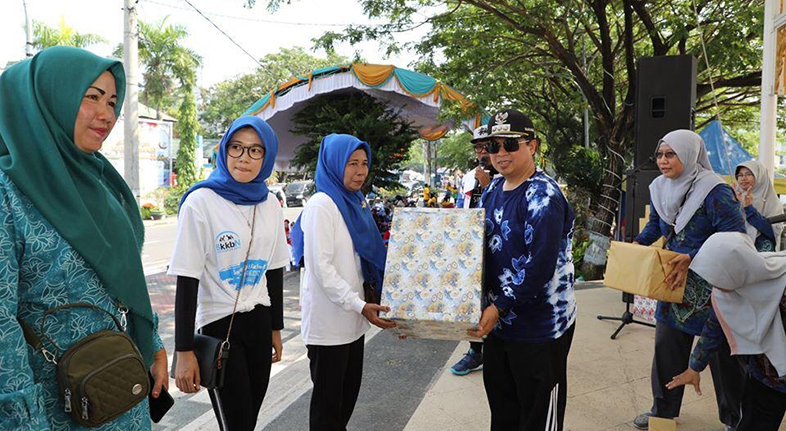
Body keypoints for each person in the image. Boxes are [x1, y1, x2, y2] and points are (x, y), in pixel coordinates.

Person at [0, 46, 168, 430]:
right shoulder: (7, 193)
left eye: (111, 101)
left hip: (120, 390)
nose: (106, 114)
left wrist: (152, 342)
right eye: (91, 97)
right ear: (48, 100)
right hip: (54, 410)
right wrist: (23, 419)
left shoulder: (99, 181)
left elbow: (123, 280)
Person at [169, 116, 290, 431]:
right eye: (236, 147)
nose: (244, 158)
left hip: (259, 321)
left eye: (255, 150)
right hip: (220, 325)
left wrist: (275, 328)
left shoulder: (270, 204)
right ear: (224, 150)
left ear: (266, 158)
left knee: (249, 419)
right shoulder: (200, 202)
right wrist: (183, 350)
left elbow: (274, 270)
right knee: (237, 424)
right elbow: (187, 280)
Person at [468, 110, 576, 431]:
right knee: (504, 413)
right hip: (498, 326)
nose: (500, 153)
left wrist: (498, 306)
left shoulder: (544, 195)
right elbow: (475, 249)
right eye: (493, 145)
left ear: (532, 145)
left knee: (537, 418)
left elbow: (539, 266)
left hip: (539, 328)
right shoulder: (492, 189)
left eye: (510, 144)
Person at [632, 130, 747, 431]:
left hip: (713, 286)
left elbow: (735, 236)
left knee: (722, 356)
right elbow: (657, 225)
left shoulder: (715, 191)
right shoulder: (660, 187)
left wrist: (692, 256)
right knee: (667, 350)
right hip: (673, 282)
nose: (663, 161)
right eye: (660, 155)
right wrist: (637, 245)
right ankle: (662, 412)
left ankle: (733, 418)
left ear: (689, 154)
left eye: (671, 154)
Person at [291, 134, 395, 431]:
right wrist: (359, 305)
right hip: (329, 327)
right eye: (352, 164)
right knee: (327, 412)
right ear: (335, 164)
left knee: (345, 404)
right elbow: (321, 269)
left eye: (364, 163)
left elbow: (365, 260)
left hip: (354, 322)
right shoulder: (322, 205)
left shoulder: (355, 202)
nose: (360, 171)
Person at [668, 232, 786, 430]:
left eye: (717, 275)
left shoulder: (780, 282)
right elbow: (712, 330)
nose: (713, 283)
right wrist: (694, 367)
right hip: (766, 378)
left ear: (736, 268)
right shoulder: (725, 292)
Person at [451, 124, 494, 376]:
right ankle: (475, 351)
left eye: (487, 146)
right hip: (472, 249)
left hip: (499, 249)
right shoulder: (468, 178)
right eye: (479, 148)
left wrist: (488, 186)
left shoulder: (508, 177)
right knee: (472, 300)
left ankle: (498, 349)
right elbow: (460, 209)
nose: (483, 153)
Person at [734, 159, 783, 252]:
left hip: (760, 252)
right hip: (737, 248)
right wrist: (732, 204)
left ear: (760, 177)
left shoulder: (772, 201)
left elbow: (772, 232)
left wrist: (749, 208)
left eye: (748, 174)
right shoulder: (735, 196)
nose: (743, 178)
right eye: (740, 175)